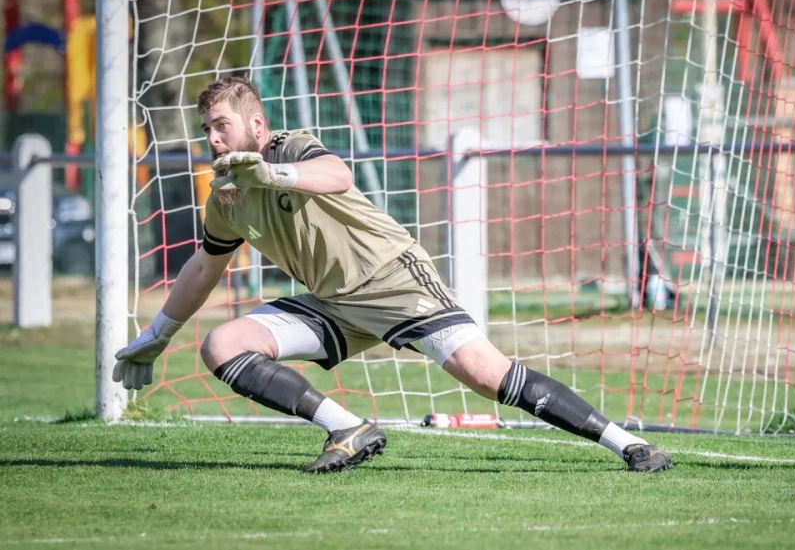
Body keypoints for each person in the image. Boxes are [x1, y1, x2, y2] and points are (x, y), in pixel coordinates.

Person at [112, 76, 673, 474]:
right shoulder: (225, 198)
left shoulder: (289, 148)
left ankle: (628, 444)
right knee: (223, 344)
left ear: (256, 125)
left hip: (393, 280)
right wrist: (157, 334)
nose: (213, 139)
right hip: (332, 303)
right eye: (207, 129)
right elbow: (204, 267)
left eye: (222, 126)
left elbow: (336, 174)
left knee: (486, 375)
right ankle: (348, 428)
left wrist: (274, 174)